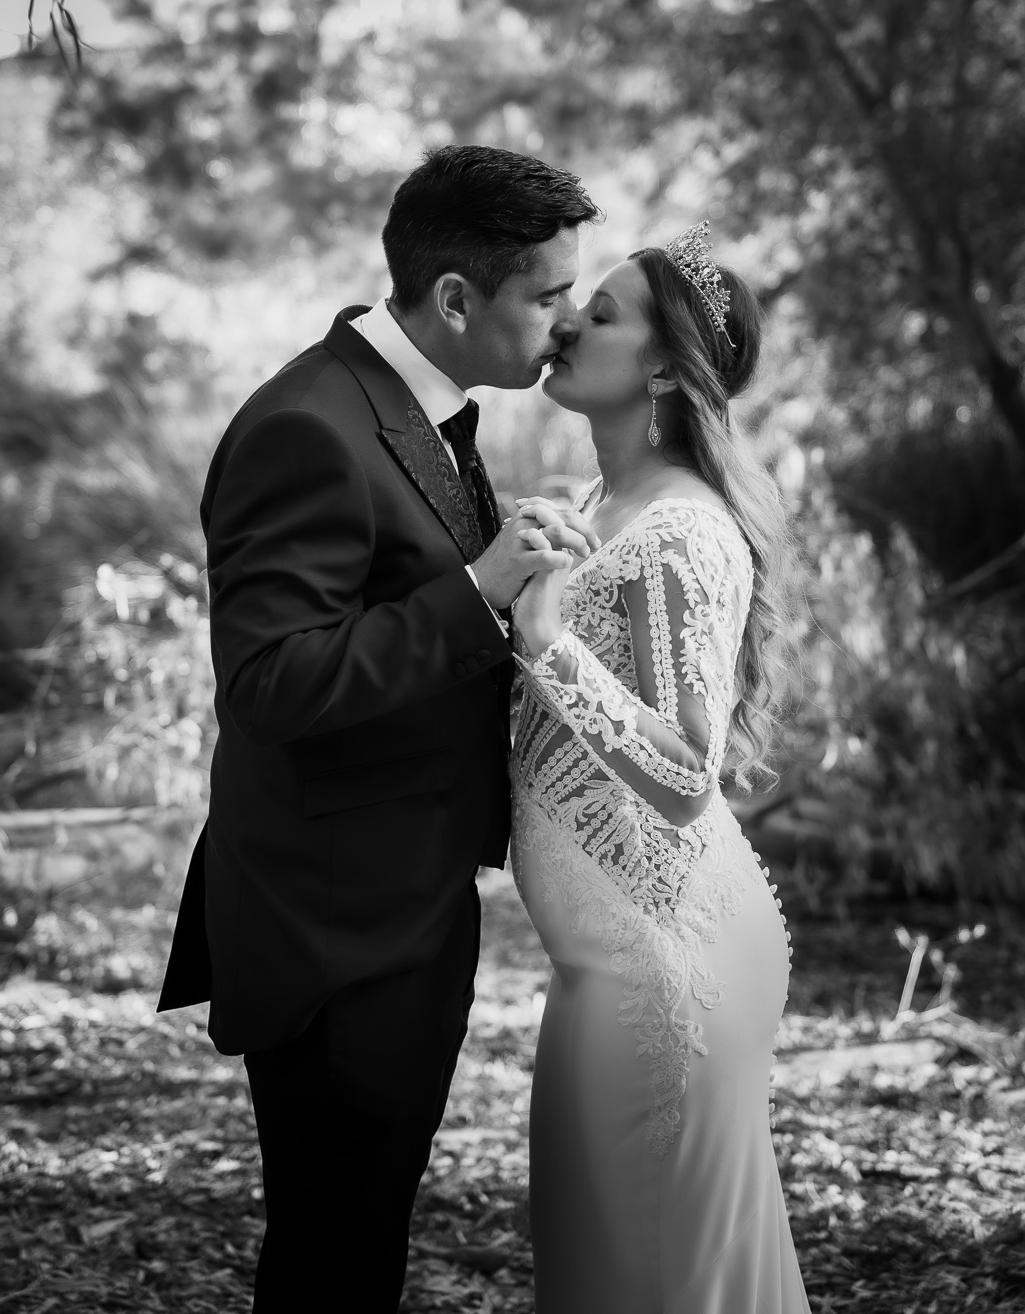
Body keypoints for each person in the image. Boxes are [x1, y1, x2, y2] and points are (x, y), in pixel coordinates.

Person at [157, 145, 602, 1313]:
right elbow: (269, 683)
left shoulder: (415, 406)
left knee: (362, 1236)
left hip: (402, 902)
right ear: (454, 299)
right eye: (549, 296)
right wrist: (478, 589)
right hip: (332, 931)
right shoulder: (305, 425)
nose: (566, 321)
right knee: (334, 1252)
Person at [509, 223, 812, 1313]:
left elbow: (685, 776)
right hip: (606, 953)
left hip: (662, 962)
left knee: (644, 1277)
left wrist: (547, 643)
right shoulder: (600, 507)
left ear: (664, 373)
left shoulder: (682, 531)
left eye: (601, 314)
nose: (565, 324)